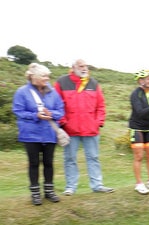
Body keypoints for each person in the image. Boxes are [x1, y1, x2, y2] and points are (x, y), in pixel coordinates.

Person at [54, 59, 114, 195]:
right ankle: (70, 187)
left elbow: (101, 105)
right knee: (69, 158)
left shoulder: (93, 83)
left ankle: (97, 185)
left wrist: (98, 122)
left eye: (85, 66)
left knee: (93, 157)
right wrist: (63, 123)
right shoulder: (61, 82)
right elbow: (56, 104)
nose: (84, 68)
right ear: (73, 67)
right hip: (70, 130)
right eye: (81, 66)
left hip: (91, 130)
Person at [12, 63, 65, 205]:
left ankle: (49, 191)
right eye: (44, 76)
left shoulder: (53, 92)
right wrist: (36, 115)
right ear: (33, 77)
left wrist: (51, 113)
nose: (47, 78)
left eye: (48, 75)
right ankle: (35, 193)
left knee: (49, 162)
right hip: (30, 134)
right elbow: (18, 111)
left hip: (49, 133)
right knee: (34, 163)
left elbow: (61, 110)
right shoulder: (22, 92)